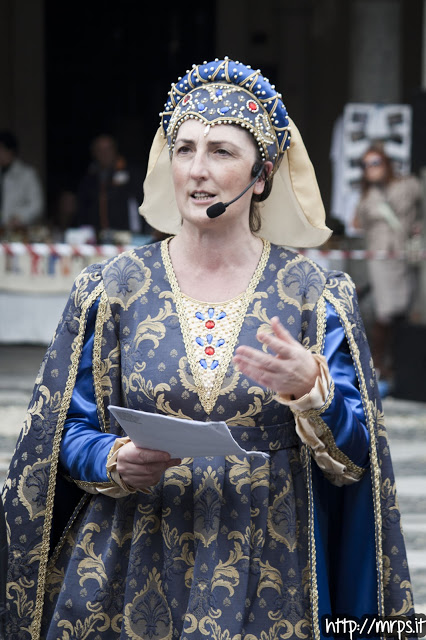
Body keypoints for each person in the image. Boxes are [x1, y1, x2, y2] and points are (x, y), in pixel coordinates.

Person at [2, 58, 414, 640]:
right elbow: (59, 437)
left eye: (221, 152)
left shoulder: (313, 297)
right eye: (185, 148)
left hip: (271, 571)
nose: (198, 170)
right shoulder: (112, 289)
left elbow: (354, 463)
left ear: (262, 174)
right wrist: (113, 459)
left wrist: (311, 392)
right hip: (128, 565)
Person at [353, 145, 422, 394]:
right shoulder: (367, 195)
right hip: (380, 258)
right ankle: (379, 366)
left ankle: (397, 367)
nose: (370, 169)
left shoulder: (409, 185)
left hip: (406, 257)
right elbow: (357, 223)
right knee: (385, 312)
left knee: (404, 311)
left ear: (386, 163)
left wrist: (419, 227)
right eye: (365, 165)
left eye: (375, 163)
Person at [74, 133, 149, 241]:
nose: (104, 154)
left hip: (128, 237)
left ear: (115, 150)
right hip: (97, 238)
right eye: (100, 150)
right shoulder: (89, 179)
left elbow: (143, 203)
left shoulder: (132, 173)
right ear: (94, 153)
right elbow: (83, 210)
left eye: (108, 149)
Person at [0, 130, 44, 234]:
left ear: (10, 151)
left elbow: (37, 205)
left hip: (19, 231)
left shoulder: (27, 175)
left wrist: (20, 217)